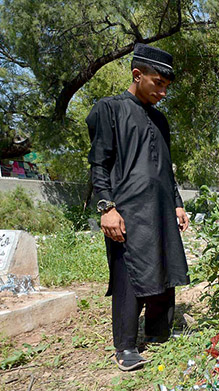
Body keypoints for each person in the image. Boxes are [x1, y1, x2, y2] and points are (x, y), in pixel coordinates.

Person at [86, 44, 190, 372]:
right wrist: (107, 208)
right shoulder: (110, 109)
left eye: (166, 86)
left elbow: (165, 168)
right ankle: (126, 346)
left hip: (160, 208)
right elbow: (99, 164)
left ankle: (159, 331)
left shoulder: (160, 119)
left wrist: (176, 203)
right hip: (127, 209)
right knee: (128, 275)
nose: (162, 91)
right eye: (157, 83)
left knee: (164, 263)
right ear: (137, 75)